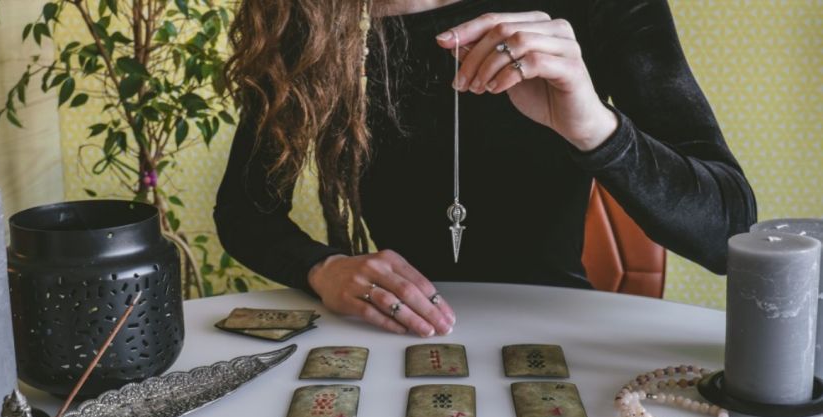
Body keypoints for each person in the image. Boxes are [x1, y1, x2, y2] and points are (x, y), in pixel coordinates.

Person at [215, 0, 757, 338]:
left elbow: (729, 227)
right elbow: (245, 212)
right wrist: (322, 268)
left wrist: (593, 125)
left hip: (559, 339)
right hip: (392, 338)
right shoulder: (304, 16)